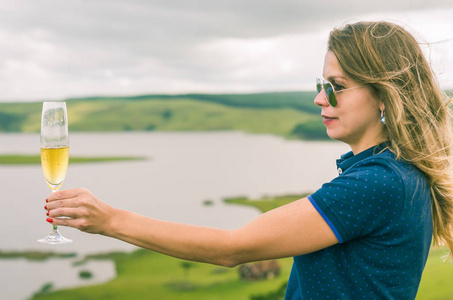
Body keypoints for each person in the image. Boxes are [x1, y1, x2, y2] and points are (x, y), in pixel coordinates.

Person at [44, 21, 453, 299]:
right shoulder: (400, 173)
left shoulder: (377, 184)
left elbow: (231, 248)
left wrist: (109, 220)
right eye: (319, 85)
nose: (319, 99)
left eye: (336, 87)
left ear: (383, 94)